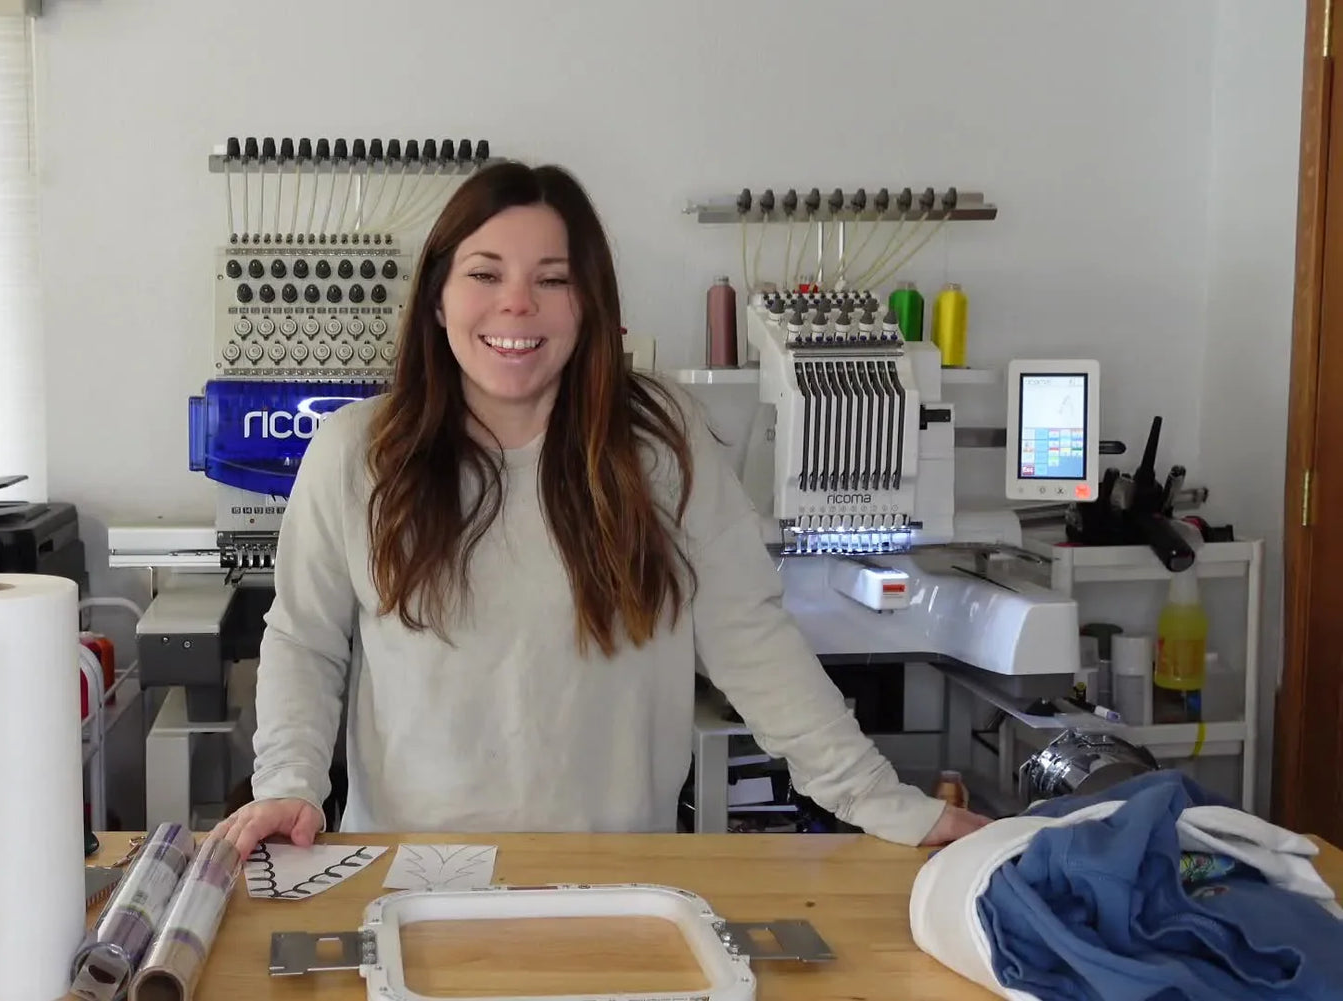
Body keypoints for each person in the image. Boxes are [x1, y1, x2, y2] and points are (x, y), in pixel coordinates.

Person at [212, 160, 991, 858]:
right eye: (485, 274)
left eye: (552, 279)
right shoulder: (358, 452)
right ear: (439, 302)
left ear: (588, 304)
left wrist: (879, 801)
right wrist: (288, 783)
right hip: (407, 874)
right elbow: (305, 642)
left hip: (620, 875)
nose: (517, 305)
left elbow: (749, 638)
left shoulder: (660, 446)